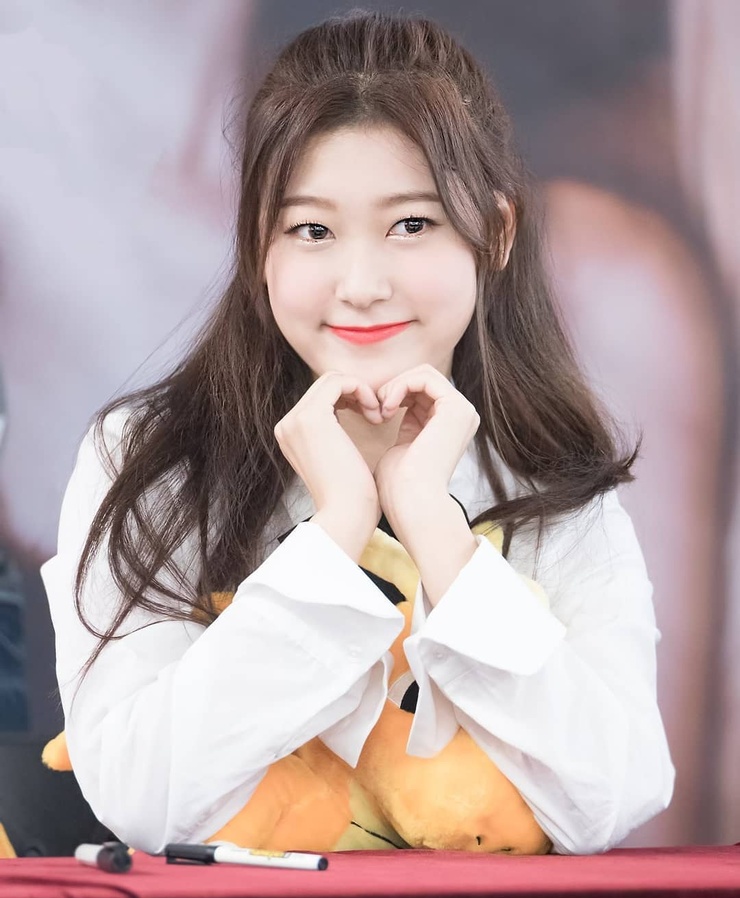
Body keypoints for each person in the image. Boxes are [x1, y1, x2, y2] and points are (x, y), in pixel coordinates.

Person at [41, 11, 674, 855]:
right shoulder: (146, 459)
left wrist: (436, 530)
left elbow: (615, 793)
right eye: (312, 230)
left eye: (412, 225)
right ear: (259, 248)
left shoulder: (553, 472)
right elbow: (143, 798)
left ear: (496, 233)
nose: (362, 283)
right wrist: (336, 533)